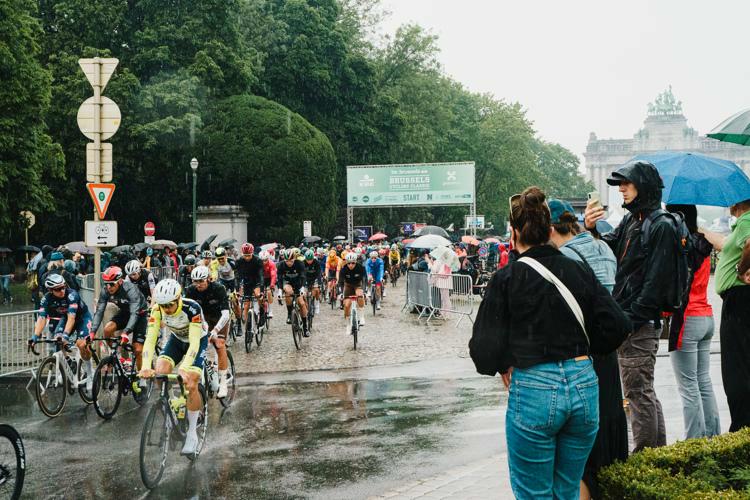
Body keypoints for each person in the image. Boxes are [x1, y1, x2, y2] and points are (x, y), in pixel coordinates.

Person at [471, 187, 631, 499]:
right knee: (568, 488)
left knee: (534, 493)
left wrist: (504, 362)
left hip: (535, 387)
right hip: (584, 386)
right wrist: (581, 349)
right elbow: (618, 324)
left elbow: (482, 350)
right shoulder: (577, 269)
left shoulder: (507, 278)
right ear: (548, 230)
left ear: (515, 234)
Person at [584, 160, 676, 452]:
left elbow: (655, 283)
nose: (622, 188)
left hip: (638, 323)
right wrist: (590, 228)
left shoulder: (660, 225)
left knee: (637, 393)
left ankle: (646, 455)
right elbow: (608, 246)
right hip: (630, 320)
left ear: (644, 186)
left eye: (627, 183)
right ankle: (656, 455)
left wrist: (628, 321)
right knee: (642, 390)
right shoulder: (633, 220)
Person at [548, 198, 627, 499]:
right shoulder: (604, 248)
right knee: (608, 439)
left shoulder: (566, 257)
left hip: (582, 356)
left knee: (580, 455)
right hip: (608, 353)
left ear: (551, 229)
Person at [662, 204, 721, 440]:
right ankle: (713, 436)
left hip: (686, 319)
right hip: (706, 316)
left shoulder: (681, 248)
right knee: (703, 381)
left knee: (687, 386)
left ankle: (693, 441)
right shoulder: (703, 243)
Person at [139, 279, 208, 456]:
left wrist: (184, 368)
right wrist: (146, 366)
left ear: (178, 299)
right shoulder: (157, 310)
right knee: (160, 373)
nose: (166, 309)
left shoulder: (191, 308)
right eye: (163, 305)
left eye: (170, 305)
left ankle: (192, 433)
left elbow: (193, 342)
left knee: (191, 382)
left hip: (197, 341)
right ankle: (171, 408)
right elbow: (150, 340)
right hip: (176, 340)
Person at [702, 198, 750, 431]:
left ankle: (741, 426)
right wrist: (701, 230)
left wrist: (740, 270)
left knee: (736, 366)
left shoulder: (747, 220)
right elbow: (724, 243)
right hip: (739, 300)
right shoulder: (739, 225)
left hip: (740, 299)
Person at [30, 273, 95, 393]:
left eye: (63, 286)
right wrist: (35, 336)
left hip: (81, 318)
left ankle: (91, 374)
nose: (62, 290)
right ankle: (69, 363)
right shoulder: (46, 299)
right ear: (50, 290)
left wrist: (66, 335)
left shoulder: (72, 295)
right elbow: (42, 318)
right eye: (58, 289)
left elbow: (72, 318)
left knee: (81, 344)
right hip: (65, 318)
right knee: (57, 338)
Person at [90, 266, 149, 375]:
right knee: (107, 330)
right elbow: (99, 312)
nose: (108, 287)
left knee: (137, 350)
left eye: (112, 284)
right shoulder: (106, 290)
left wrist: (126, 332)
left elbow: (134, 313)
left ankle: (142, 379)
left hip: (139, 314)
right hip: (125, 313)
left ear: (120, 281)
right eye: (106, 283)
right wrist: (92, 332)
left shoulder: (131, 289)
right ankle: (117, 357)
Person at [186, 266, 231, 398]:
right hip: (202, 319)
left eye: (201, 281)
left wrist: (216, 330)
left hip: (219, 318)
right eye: (195, 281)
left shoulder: (218, 288)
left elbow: (226, 314)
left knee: (219, 344)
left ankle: (223, 383)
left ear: (209, 279)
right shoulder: (190, 290)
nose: (198, 284)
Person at [277, 248, 310, 336]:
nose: (289, 263)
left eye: (291, 261)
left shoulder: (300, 264)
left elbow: (303, 276)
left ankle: (305, 327)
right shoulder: (281, 265)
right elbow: (279, 279)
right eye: (287, 261)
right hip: (287, 283)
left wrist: (302, 288)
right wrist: (280, 291)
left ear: (294, 259)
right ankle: (289, 313)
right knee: (288, 292)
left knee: (302, 304)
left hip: (298, 284)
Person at [236, 243, 264, 337]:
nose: (247, 257)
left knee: (257, 294)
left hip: (256, 281)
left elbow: (261, 276)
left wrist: (262, 291)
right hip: (247, 282)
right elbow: (238, 277)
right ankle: (248, 326)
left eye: (249, 255)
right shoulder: (239, 261)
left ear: (252, 253)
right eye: (245, 256)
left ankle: (262, 313)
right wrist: (237, 290)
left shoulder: (257, 260)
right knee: (246, 304)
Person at [339, 252, 366, 335]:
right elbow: (340, 282)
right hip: (348, 286)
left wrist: (365, 290)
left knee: (360, 295)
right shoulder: (343, 269)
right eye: (349, 263)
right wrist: (340, 292)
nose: (351, 265)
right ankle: (348, 325)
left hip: (358, 285)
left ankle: (361, 317)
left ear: (356, 262)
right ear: (346, 262)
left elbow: (364, 280)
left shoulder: (360, 268)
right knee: (346, 305)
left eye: (353, 263)